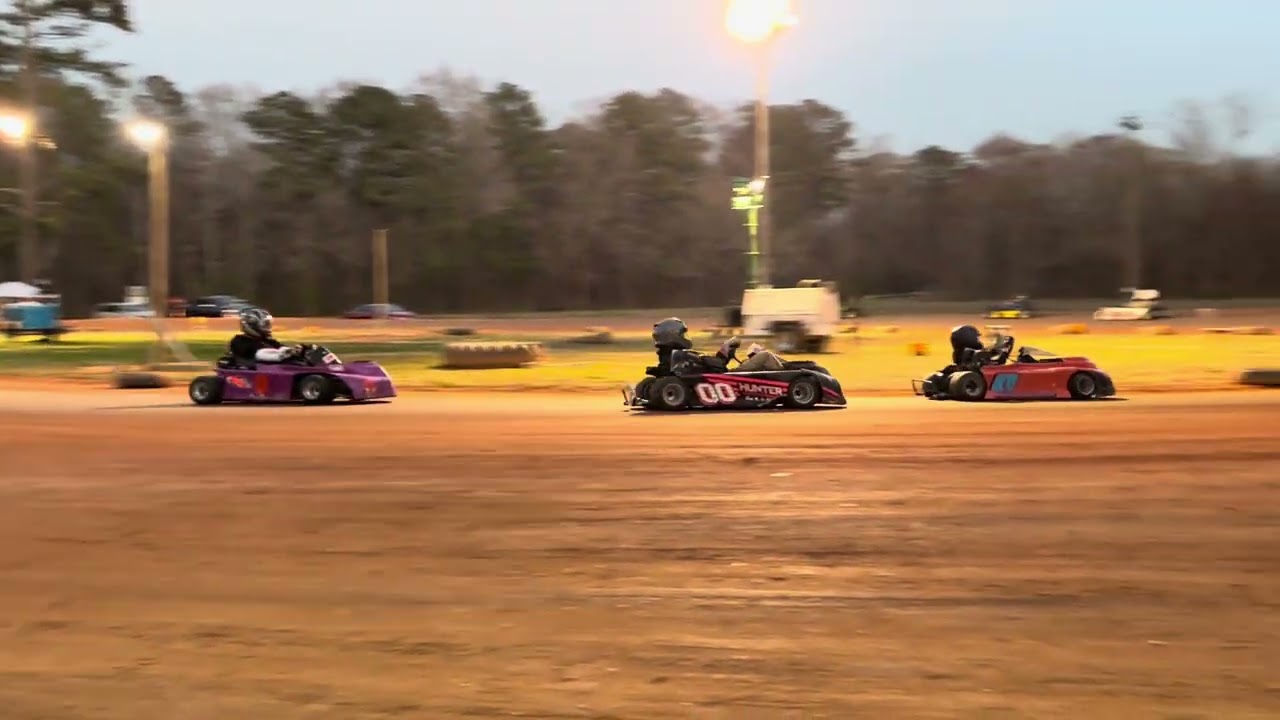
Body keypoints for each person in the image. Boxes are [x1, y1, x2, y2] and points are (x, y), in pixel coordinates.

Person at [229, 307, 298, 364]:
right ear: (252, 325)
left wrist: (294, 351)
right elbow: (258, 354)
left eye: (268, 324)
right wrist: (281, 354)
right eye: (266, 324)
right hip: (254, 373)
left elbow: (281, 348)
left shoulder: (267, 340)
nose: (268, 327)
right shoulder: (239, 341)